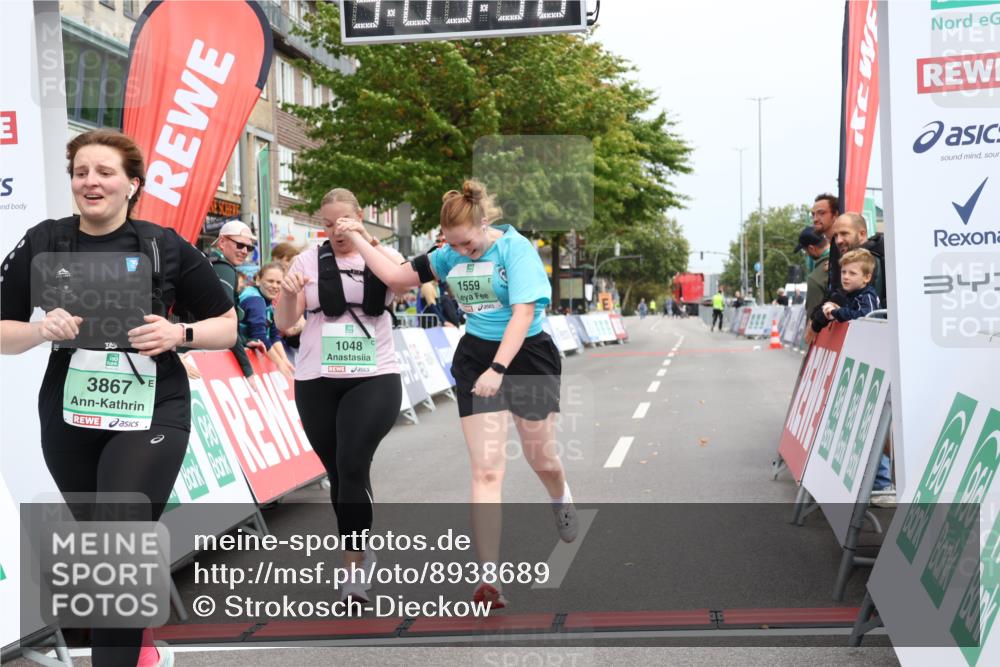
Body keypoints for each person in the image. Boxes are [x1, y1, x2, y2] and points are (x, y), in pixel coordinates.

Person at [0, 129, 237, 667]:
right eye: (81, 172)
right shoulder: (45, 242)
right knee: (101, 547)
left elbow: (228, 324)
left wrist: (181, 335)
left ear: (132, 184)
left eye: (104, 172)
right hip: (70, 411)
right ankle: (138, 640)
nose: (91, 182)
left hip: (154, 406)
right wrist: (40, 331)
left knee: (119, 537)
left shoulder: (164, 245)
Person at [335, 179, 578, 610]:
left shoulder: (515, 251)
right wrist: (356, 236)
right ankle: (490, 579)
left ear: (484, 224)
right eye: (453, 246)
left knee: (542, 457)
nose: (461, 253)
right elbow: (395, 276)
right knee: (486, 471)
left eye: (467, 244)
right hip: (475, 357)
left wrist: (500, 369)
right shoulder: (448, 254)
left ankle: (560, 497)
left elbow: (523, 314)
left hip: (526, 356)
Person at [274, 188, 403, 604]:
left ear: (360, 216)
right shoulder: (308, 260)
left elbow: (401, 281)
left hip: (374, 376)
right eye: (328, 225)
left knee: (351, 462)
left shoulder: (382, 257)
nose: (336, 231)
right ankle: (358, 542)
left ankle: (353, 568)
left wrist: (365, 242)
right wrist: (291, 291)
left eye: (343, 222)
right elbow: (285, 322)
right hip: (317, 378)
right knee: (340, 472)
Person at [207, 220, 258, 376]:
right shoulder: (224, 268)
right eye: (239, 245)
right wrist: (248, 369)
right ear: (222, 242)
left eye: (249, 248)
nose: (244, 251)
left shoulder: (210, 262)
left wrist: (244, 341)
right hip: (204, 351)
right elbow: (225, 322)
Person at [239, 262, 295, 380]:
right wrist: (279, 363)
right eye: (270, 281)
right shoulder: (255, 300)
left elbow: (274, 335)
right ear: (258, 280)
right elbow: (260, 336)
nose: (275, 286)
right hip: (241, 356)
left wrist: (284, 360)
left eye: (279, 282)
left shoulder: (268, 301)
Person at [820, 249, 880, 324]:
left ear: (867, 278)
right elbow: (852, 313)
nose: (846, 277)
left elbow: (867, 317)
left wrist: (836, 312)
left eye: (852, 273)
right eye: (843, 272)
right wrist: (837, 310)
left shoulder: (867, 295)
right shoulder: (852, 294)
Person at [795, 227, 831, 345]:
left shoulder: (816, 277)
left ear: (811, 248)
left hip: (826, 339)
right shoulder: (847, 261)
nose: (807, 254)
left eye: (806, 251)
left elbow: (812, 314)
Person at [811, 193, 841, 291]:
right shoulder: (833, 246)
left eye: (821, 213)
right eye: (813, 214)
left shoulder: (841, 245)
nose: (815, 219)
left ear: (835, 215)